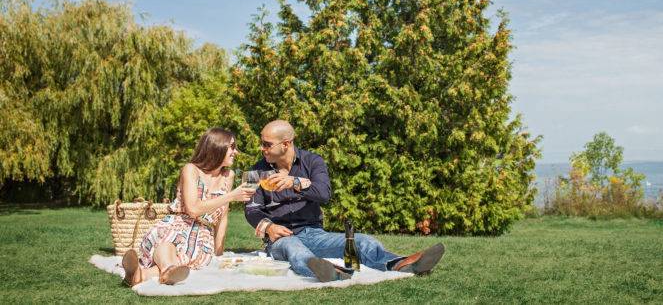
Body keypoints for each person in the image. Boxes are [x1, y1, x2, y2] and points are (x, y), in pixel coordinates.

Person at [245, 120, 445, 282]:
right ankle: (327, 271)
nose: (261, 148)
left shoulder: (313, 161)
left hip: (314, 233)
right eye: (262, 143)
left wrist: (295, 182)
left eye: (266, 144)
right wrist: (269, 227)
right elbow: (251, 208)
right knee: (293, 248)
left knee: (363, 241)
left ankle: (400, 264)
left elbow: (324, 194)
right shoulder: (256, 170)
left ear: (286, 143)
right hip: (281, 237)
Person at [122, 127, 256, 286]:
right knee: (168, 243)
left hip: (202, 235)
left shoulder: (229, 176)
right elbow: (193, 209)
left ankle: (140, 275)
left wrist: (218, 255)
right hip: (177, 224)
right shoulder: (191, 169)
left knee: (188, 254)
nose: (236, 152)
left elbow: (223, 217)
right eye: (232, 147)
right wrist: (232, 196)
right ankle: (167, 270)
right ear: (217, 147)